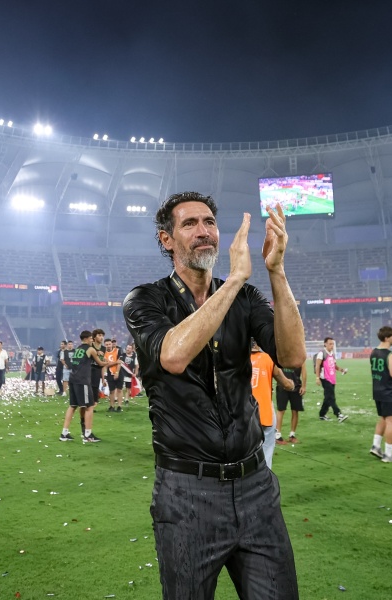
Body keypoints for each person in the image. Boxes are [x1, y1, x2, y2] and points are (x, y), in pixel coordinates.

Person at [123, 191, 304, 599]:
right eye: (189, 224)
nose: (203, 231)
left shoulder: (246, 299)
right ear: (166, 239)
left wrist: (276, 271)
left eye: (209, 222)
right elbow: (173, 355)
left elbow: (292, 356)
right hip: (187, 493)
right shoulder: (145, 300)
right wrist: (236, 279)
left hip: (256, 487)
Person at [59, 330, 118, 442]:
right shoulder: (90, 349)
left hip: (73, 379)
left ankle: (64, 433)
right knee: (89, 407)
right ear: (86, 339)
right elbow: (100, 363)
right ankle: (88, 434)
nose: (92, 340)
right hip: (83, 381)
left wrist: (97, 353)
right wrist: (112, 362)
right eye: (91, 338)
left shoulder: (78, 349)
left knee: (72, 406)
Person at [250, 339, 294, 468]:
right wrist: (291, 384)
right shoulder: (267, 358)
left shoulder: (236, 359)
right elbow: (286, 384)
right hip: (263, 413)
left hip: (241, 415)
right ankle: (264, 476)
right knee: (266, 450)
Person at [370, 326, 392, 463]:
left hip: (377, 389)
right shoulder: (390, 354)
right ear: (387, 338)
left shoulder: (373, 352)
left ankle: (376, 446)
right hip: (388, 391)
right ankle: (388, 455)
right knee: (391, 421)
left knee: (383, 418)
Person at [315, 336, 349, 423]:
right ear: (325, 344)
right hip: (325, 378)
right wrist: (317, 378)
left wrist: (341, 370)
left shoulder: (332, 354)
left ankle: (322, 414)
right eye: (330, 344)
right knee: (331, 397)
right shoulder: (321, 353)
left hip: (332, 378)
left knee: (328, 398)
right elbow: (317, 366)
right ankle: (338, 414)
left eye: (333, 344)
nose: (332, 346)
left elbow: (334, 365)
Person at [274, 364, 306, 445]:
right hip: (282, 385)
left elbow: (304, 370)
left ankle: (292, 435)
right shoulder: (281, 356)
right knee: (281, 410)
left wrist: (303, 386)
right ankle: (278, 435)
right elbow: (275, 369)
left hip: (296, 386)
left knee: (295, 410)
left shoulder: (300, 357)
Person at [104, 338, 123, 411]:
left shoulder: (117, 351)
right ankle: (112, 406)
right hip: (109, 373)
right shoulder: (104, 353)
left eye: (109, 344)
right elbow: (106, 365)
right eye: (106, 344)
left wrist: (117, 372)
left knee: (119, 390)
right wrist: (115, 362)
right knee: (111, 391)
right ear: (104, 345)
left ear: (112, 344)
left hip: (119, 372)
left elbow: (119, 362)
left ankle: (119, 406)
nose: (108, 346)